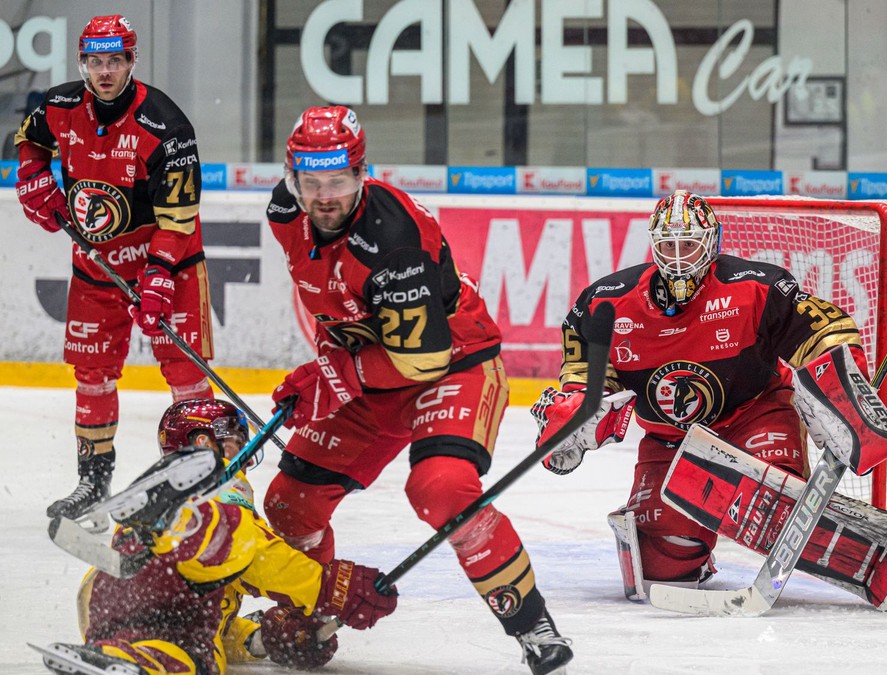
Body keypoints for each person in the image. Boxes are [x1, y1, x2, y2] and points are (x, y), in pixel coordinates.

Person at [260, 105, 572, 675]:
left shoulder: (393, 240)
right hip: (375, 370)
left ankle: (531, 623)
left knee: (442, 487)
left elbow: (422, 358)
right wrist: (329, 369)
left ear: (361, 174)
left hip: (453, 363)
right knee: (289, 504)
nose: (324, 196)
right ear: (292, 178)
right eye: (311, 182)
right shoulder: (285, 212)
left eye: (338, 181)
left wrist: (331, 377)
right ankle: (309, 613)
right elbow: (340, 304)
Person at [532, 190, 887, 612]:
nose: (678, 256)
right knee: (660, 569)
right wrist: (573, 417)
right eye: (668, 245)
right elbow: (585, 383)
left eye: (688, 244)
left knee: (773, 506)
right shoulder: (603, 304)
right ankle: (694, 552)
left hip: (754, 416)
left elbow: (824, 328)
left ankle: (881, 563)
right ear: (653, 244)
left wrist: (838, 386)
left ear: (712, 242)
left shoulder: (755, 287)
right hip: (672, 439)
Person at [14, 14, 214, 521]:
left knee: (187, 374)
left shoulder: (166, 126)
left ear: (132, 61)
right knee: (93, 376)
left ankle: (196, 478)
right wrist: (34, 177)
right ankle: (92, 481)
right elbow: (30, 139)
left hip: (169, 265)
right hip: (95, 268)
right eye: (95, 61)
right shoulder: (59, 106)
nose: (104, 71)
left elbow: (180, 217)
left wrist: (160, 273)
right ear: (83, 63)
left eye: (115, 60)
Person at [37, 398, 398, 675]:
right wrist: (331, 587)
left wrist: (259, 642)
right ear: (202, 443)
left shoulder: (190, 501)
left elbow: (217, 618)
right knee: (195, 657)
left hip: (112, 592)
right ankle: (139, 656)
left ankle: (115, 657)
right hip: (182, 570)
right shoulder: (225, 490)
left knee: (180, 638)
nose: (243, 455)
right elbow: (255, 553)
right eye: (233, 442)